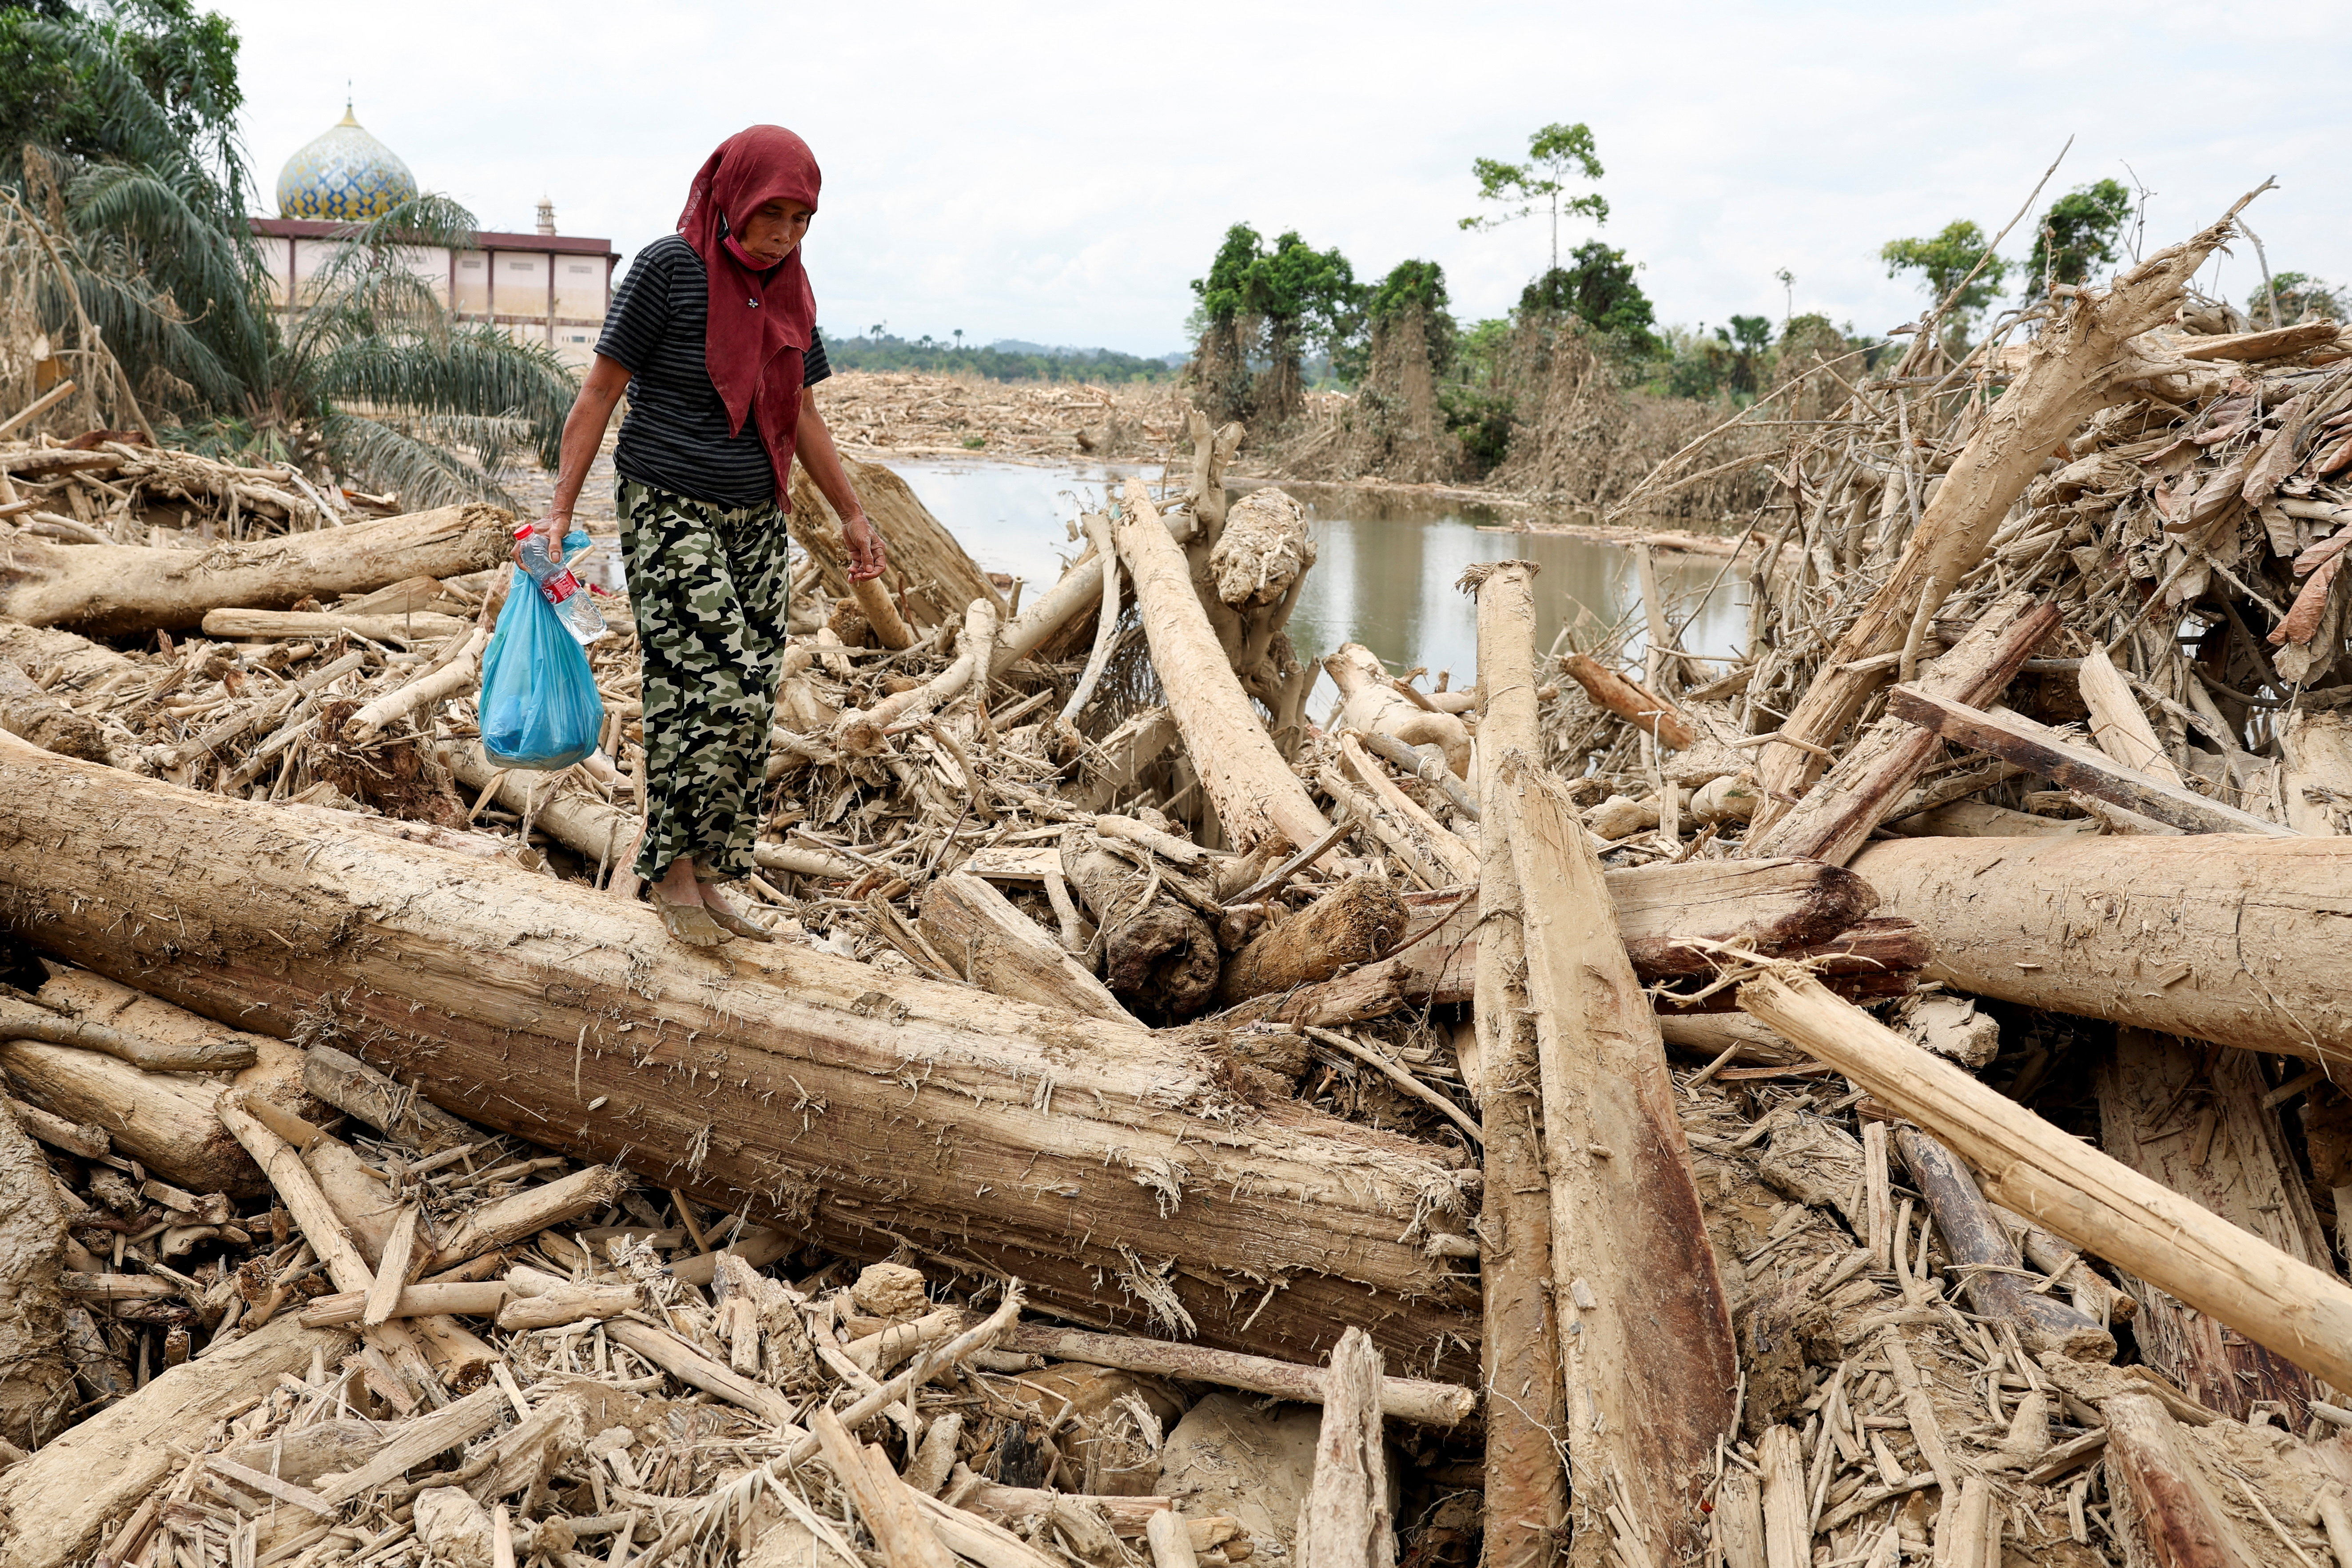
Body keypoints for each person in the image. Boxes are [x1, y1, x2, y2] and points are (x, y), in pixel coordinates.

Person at [531, 124, 885, 948]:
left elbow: (799, 410)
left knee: (752, 698)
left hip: (756, 517)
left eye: (803, 220)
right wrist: (561, 511)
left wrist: (852, 513)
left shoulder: (792, 288)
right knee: (703, 685)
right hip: (668, 504)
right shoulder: (668, 269)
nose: (786, 235)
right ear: (736, 197)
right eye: (775, 215)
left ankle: (713, 872)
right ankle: (669, 873)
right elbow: (600, 393)